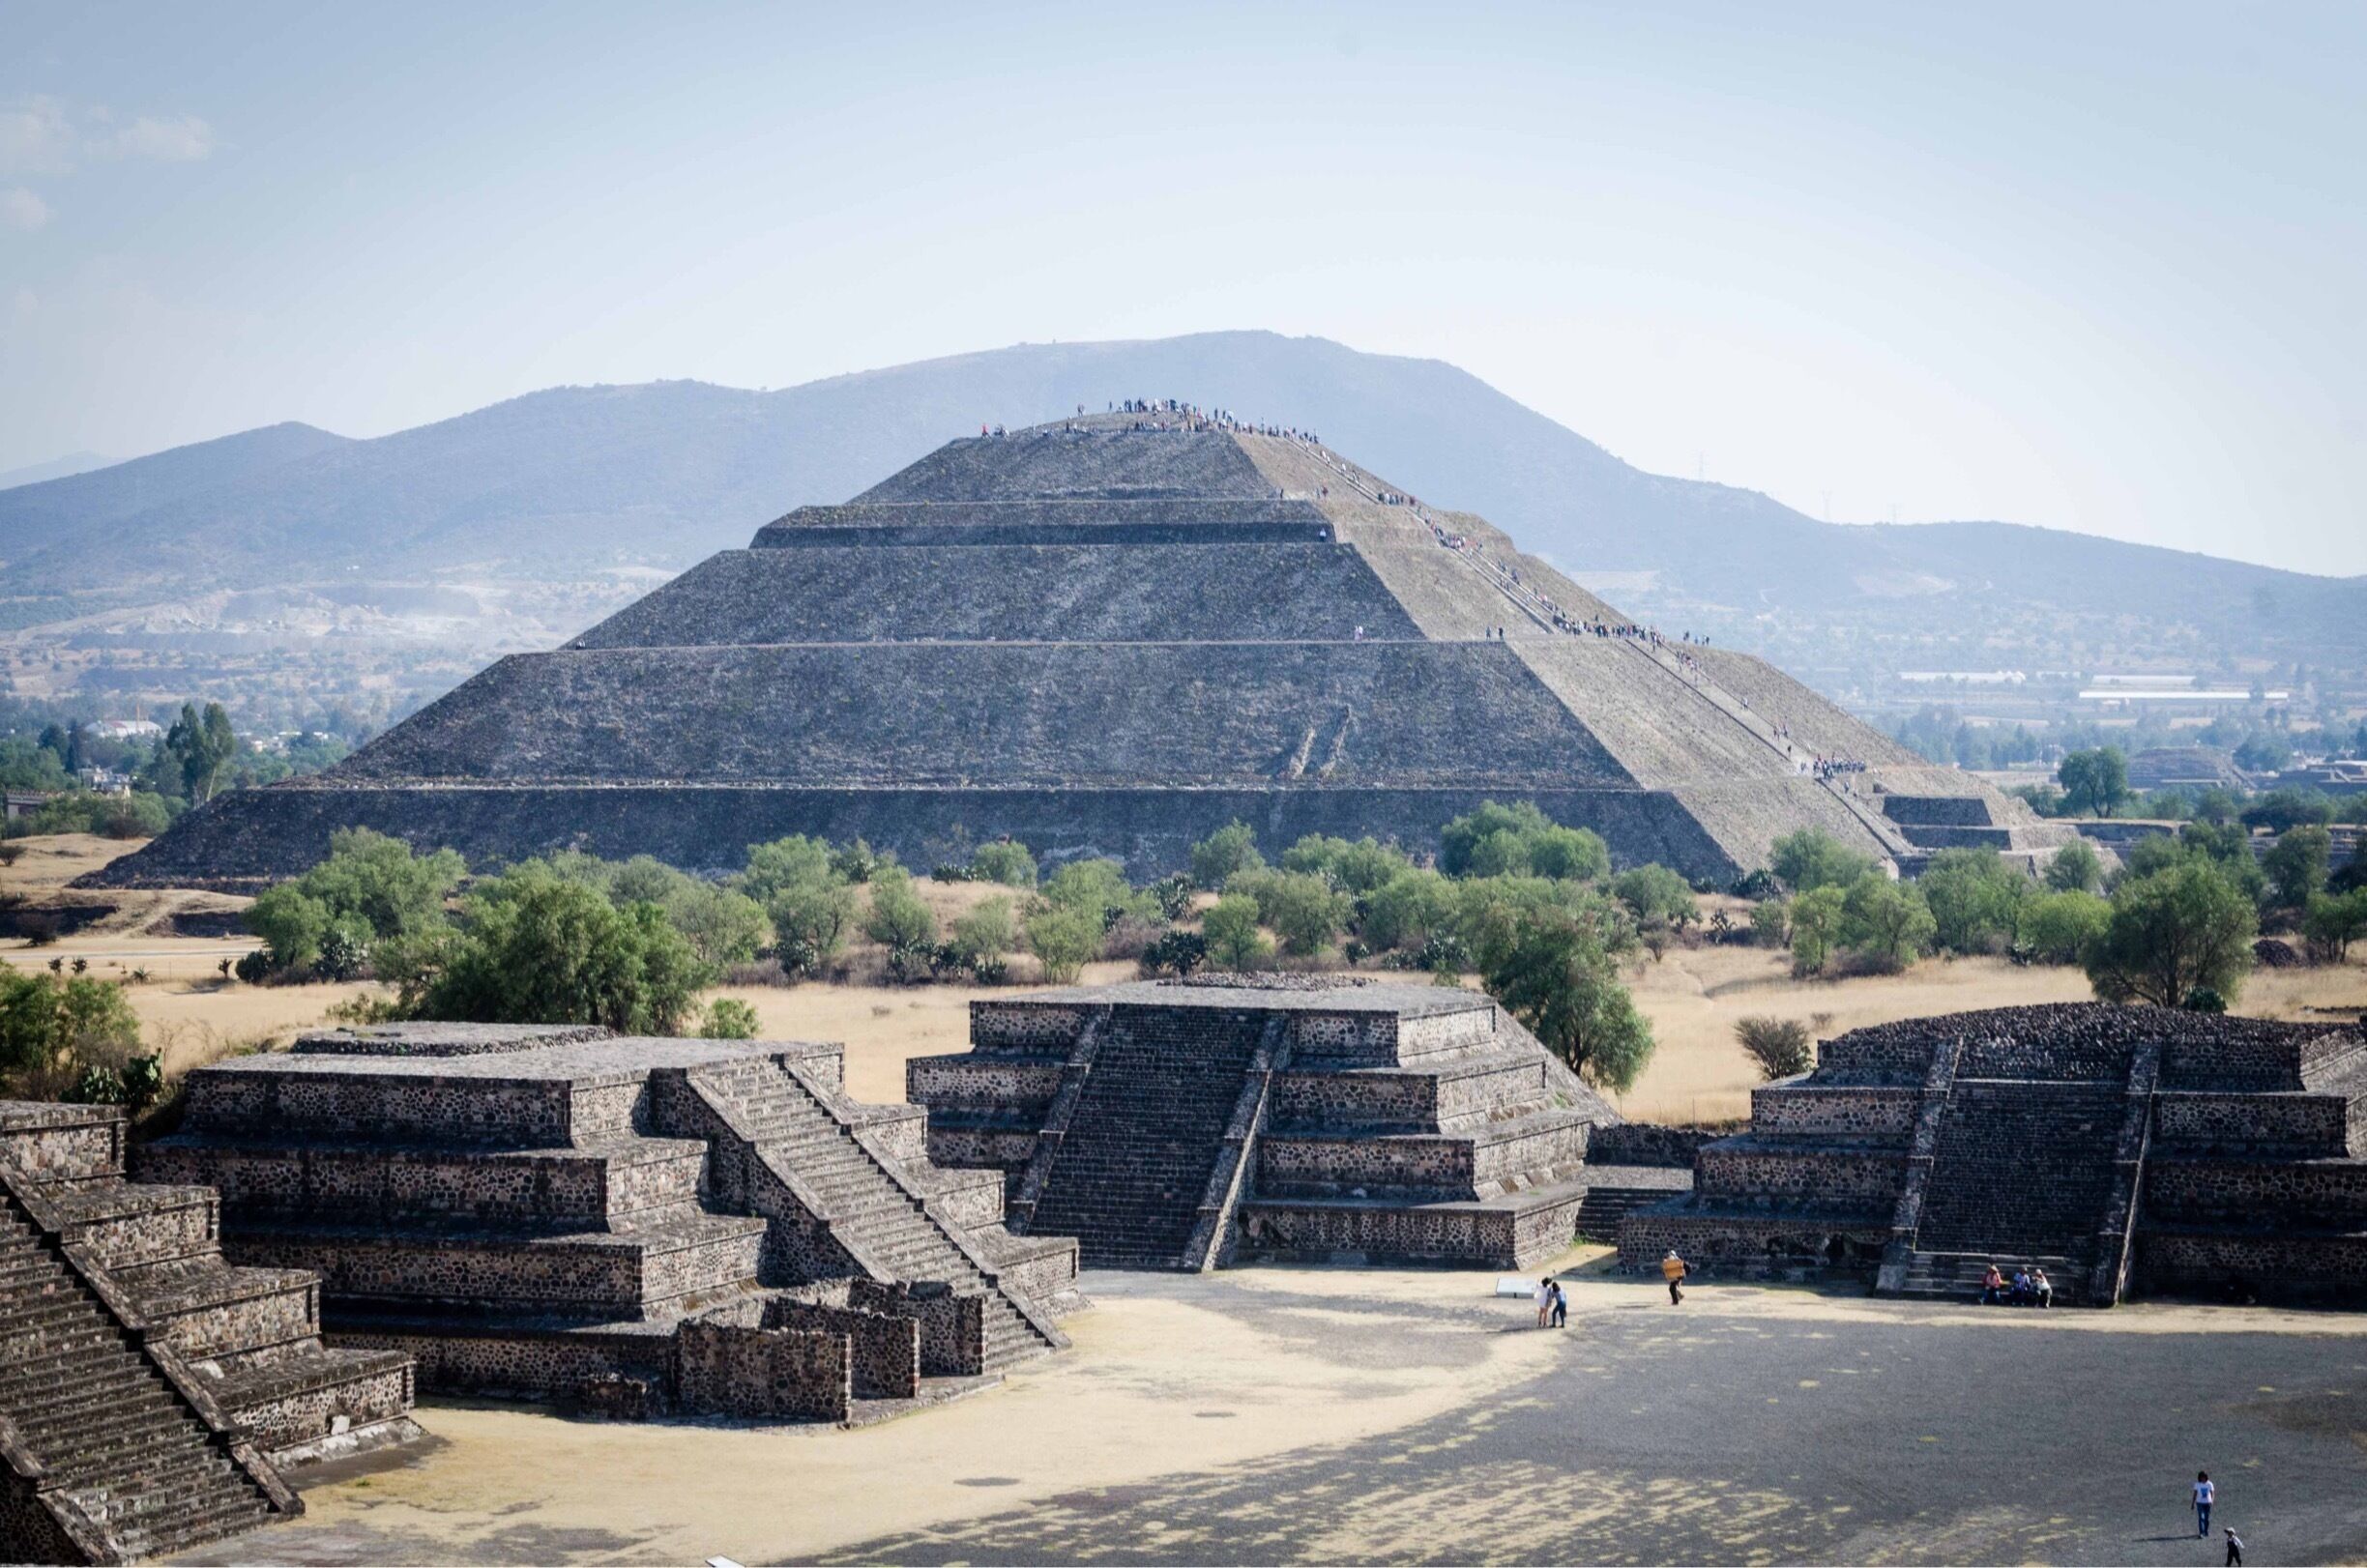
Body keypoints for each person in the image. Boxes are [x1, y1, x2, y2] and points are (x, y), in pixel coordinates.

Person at [2195, 1472, 2214, 1537]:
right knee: (2201, 1518)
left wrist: (2212, 1500)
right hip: (2200, 1503)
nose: (2202, 1478)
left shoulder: (2209, 1484)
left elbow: (2212, 1493)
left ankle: (2205, 1531)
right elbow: (2195, 1493)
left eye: (2204, 1477)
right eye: (2201, 1477)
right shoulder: (2197, 1484)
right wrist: (2192, 1503)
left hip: (2207, 1503)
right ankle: (2201, 1532)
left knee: (2207, 1518)